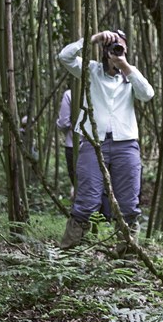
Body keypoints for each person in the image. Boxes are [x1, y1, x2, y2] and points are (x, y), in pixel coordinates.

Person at [57, 29, 155, 255]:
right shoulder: (91, 70)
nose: (116, 51)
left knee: (129, 203)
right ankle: (69, 254)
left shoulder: (131, 76)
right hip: (94, 142)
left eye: (121, 47)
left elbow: (147, 94)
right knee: (87, 199)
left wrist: (125, 67)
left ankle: (127, 256)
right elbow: (65, 57)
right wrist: (92, 39)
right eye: (113, 47)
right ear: (104, 51)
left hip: (126, 144)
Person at [56, 88, 111, 221]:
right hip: (100, 144)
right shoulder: (102, 91)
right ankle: (103, 222)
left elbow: (63, 122)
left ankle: (83, 225)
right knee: (102, 186)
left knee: (82, 188)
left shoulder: (70, 94)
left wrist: (72, 125)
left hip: (74, 145)